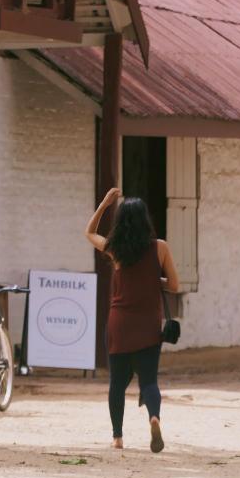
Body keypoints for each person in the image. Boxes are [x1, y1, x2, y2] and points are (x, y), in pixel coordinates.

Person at [86, 188, 181, 452]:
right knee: (149, 380)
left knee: (117, 383)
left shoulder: (115, 249)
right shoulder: (160, 248)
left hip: (120, 324)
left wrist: (105, 204)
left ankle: (118, 437)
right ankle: (153, 417)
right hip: (148, 325)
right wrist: (153, 278)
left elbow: (89, 233)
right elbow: (174, 284)